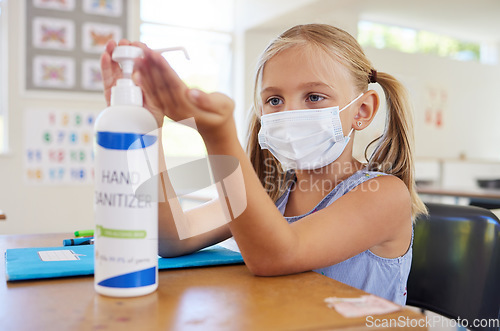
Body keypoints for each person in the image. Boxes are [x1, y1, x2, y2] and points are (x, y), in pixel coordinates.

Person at [100, 23, 427, 305]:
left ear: (362, 111)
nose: (288, 113)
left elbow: (277, 256)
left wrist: (218, 136)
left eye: (314, 97)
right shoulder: (271, 191)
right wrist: (145, 125)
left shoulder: (384, 195)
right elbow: (172, 239)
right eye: (274, 100)